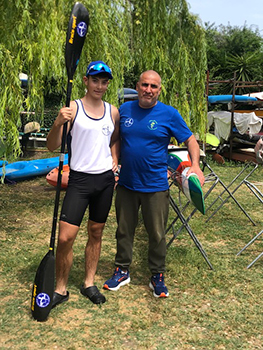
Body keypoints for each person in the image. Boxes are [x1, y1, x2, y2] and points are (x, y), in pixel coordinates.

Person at [104, 70, 204, 298]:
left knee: (157, 234)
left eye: (154, 86)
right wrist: (115, 160)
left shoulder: (169, 114)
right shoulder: (125, 110)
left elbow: (190, 140)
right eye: (145, 85)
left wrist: (195, 166)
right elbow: (116, 138)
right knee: (123, 230)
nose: (149, 90)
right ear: (137, 87)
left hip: (155, 186)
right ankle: (122, 270)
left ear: (159, 90)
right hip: (127, 184)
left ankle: (157, 276)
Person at [47, 61, 120, 307]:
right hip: (79, 180)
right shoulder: (73, 108)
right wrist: (58, 122)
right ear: (85, 81)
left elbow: (114, 137)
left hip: (104, 181)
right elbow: (51, 145)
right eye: (95, 80)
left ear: (107, 84)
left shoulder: (113, 111)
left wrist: (115, 157)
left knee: (96, 232)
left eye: (104, 81)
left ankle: (89, 283)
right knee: (66, 237)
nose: (99, 85)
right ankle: (61, 288)